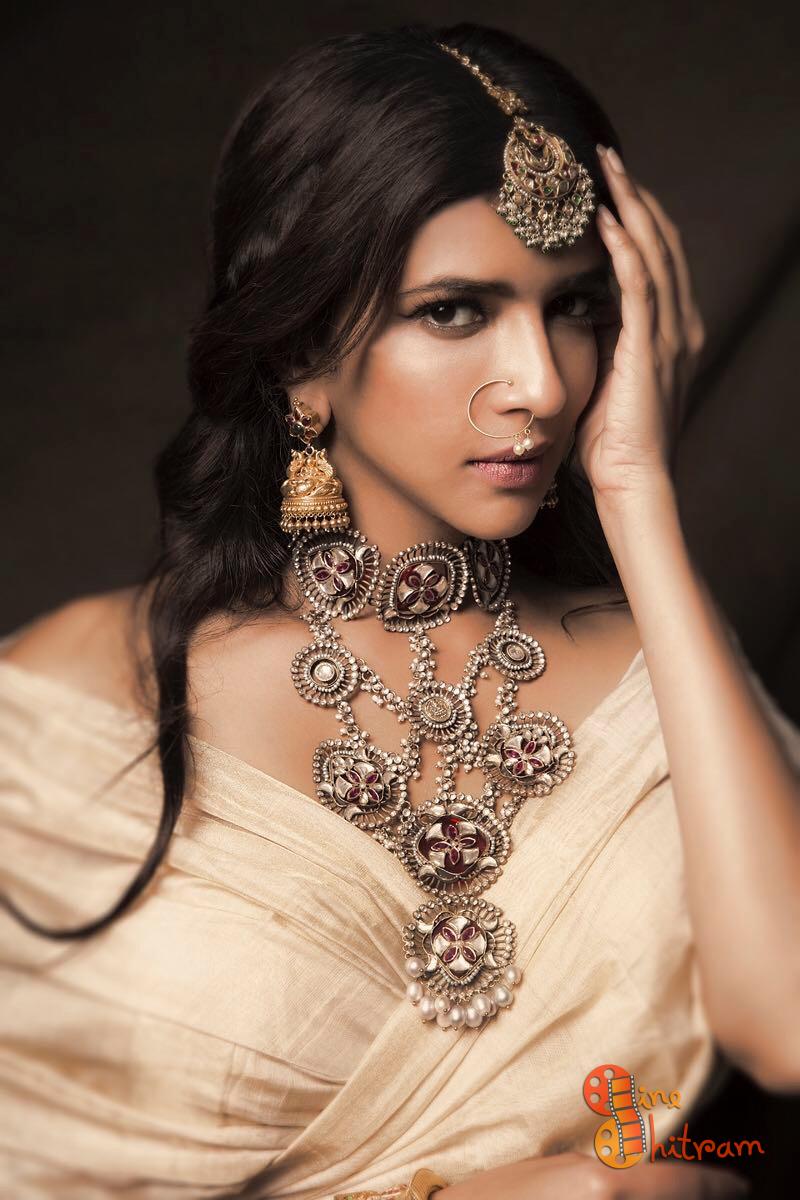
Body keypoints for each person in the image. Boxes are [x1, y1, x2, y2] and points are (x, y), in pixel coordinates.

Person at [0, 20, 796, 1200]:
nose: (538, 385)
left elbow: (784, 1029)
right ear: (302, 351)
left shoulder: (661, 671)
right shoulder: (87, 697)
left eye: (573, 308)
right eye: (456, 311)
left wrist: (636, 496)